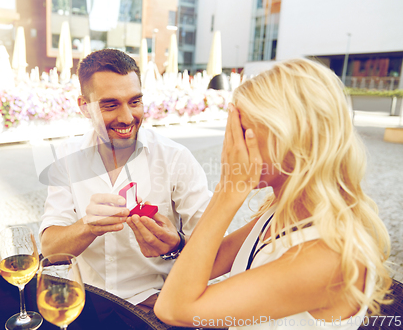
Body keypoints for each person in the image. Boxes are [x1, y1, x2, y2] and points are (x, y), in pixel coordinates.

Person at [155, 59, 392, 329]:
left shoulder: (325, 256)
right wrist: (175, 245)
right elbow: (212, 260)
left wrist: (228, 191)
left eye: (243, 132)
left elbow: (174, 308)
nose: (232, 146)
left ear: (293, 136)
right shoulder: (284, 211)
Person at [39, 49, 211, 310]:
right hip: (87, 301)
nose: (127, 118)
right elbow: (50, 248)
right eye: (110, 105)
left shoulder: (176, 158)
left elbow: (214, 244)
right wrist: (89, 226)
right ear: (84, 107)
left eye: (135, 101)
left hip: (154, 302)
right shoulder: (66, 157)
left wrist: (176, 244)